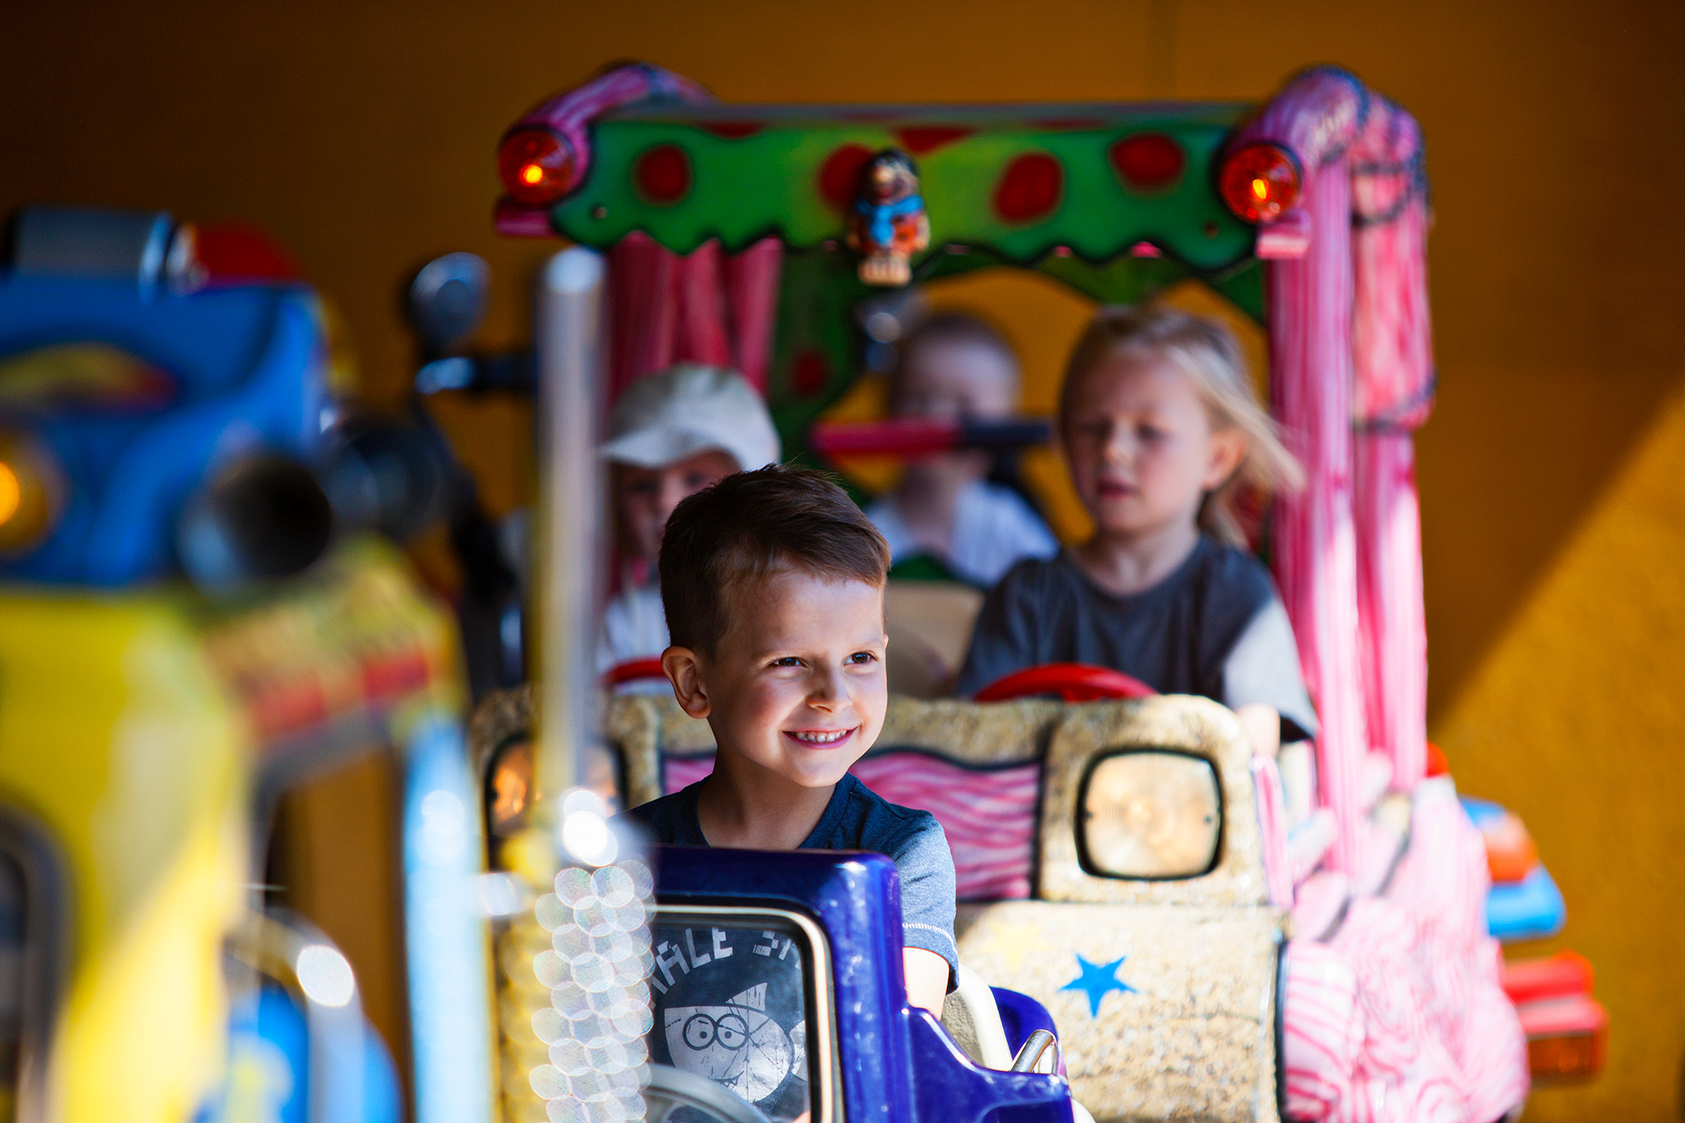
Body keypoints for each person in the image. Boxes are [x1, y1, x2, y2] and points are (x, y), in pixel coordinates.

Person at [619, 466, 958, 1120]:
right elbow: (595, 1057)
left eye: (861, 657)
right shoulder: (628, 854)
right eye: (788, 661)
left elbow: (891, 1059)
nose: (834, 693)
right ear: (693, 683)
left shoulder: (901, 851)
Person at [954, 305, 1316, 757]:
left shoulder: (1235, 592)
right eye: (1092, 427)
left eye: (1149, 431)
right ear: (1066, 440)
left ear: (1217, 458)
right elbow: (970, 735)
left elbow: (1251, 747)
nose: (1113, 450)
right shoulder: (1026, 595)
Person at [596, 364, 781, 683]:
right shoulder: (623, 623)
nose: (665, 502)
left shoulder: (791, 601)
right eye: (642, 486)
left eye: (694, 479)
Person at [864, 313, 1058, 587]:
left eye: (965, 408)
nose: (935, 419)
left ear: (1002, 430)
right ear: (889, 408)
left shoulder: (1007, 526)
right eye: (917, 398)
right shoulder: (864, 532)